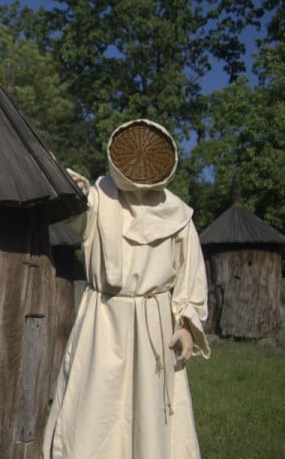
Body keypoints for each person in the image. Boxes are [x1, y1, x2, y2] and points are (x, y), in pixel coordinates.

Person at [43, 119, 210, 459]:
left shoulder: (178, 216)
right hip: (104, 321)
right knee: (93, 411)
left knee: (152, 420)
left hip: (155, 329)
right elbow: (72, 210)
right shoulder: (99, 199)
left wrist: (187, 328)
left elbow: (191, 279)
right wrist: (71, 185)